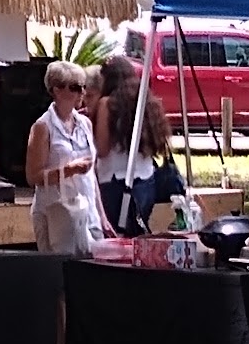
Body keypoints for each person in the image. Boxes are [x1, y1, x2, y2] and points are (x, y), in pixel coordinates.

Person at [27, 59, 113, 253]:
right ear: (57, 90)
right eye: (75, 87)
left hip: (87, 210)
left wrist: (102, 215)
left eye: (83, 87)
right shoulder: (43, 127)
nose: (81, 92)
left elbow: (91, 175)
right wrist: (70, 169)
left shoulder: (84, 123)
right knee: (60, 273)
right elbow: (33, 176)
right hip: (57, 212)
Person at [94, 53, 174, 233]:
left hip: (113, 180)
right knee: (137, 233)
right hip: (145, 178)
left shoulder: (106, 104)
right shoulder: (146, 100)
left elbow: (102, 149)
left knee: (115, 234)